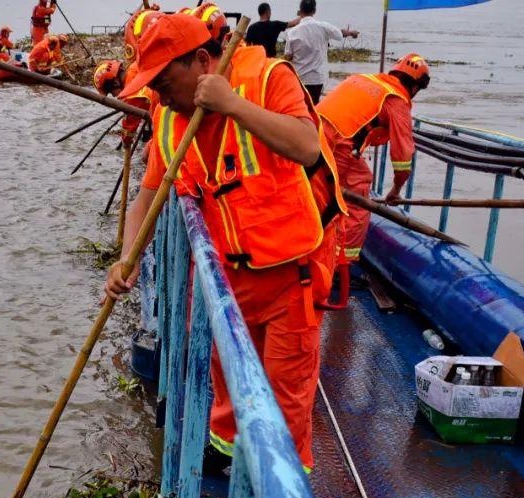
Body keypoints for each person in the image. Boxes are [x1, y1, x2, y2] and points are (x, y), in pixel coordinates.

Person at [105, 12, 346, 472]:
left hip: (289, 276)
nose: (157, 94)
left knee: (285, 396)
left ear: (200, 60)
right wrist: (127, 258)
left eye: (162, 80)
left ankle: (280, 497)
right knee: (227, 383)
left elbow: (306, 145)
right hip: (227, 278)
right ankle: (222, 460)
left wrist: (232, 104)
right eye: (149, 85)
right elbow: (147, 199)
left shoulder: (269, 78)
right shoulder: (170, 117)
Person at [315, 53, 430, 308]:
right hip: (338, 146)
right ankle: (338, 268)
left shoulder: (365, 80)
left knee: (323, 198)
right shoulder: (397, 100)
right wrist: (396, 189)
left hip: (314, 135)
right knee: (356, 199)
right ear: (414, 86)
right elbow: (403, 156)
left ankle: (321, 258)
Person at [284, 0, 359, 104]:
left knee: (301, 108)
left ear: (300, 11)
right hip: (317, 79)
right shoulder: (323, 26)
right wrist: (351, 33)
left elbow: (288, 56)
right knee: (314, 107)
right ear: (314, 11)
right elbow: (339, 33)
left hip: (299, 78)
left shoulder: (291, 32)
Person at [93, 60, 156, 148]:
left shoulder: (131, 93)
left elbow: (129, 124)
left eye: (111, 92)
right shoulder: (134, 67)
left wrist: (126, 142)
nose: (114, 96)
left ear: (115, 82)